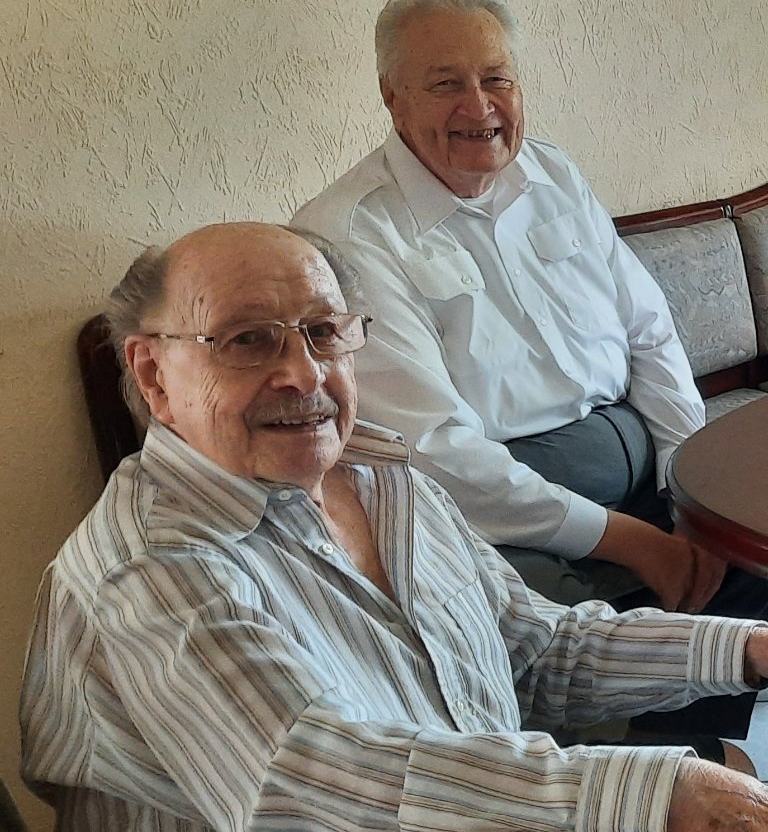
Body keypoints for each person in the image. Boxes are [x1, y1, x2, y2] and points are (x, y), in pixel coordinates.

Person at [19, 222, 768, 830]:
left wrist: (746, 647)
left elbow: (538, 652)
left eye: (323, 332)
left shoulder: (388, 482)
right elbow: (310, 781)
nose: (305, 374)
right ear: (153, 374)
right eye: (247, 339)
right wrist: (649, 795)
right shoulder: (151, 567)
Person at [292, 0, 767, 622]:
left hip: (649, 466)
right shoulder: (347, 235)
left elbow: (649, 329)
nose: (478, 106)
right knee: (564, 634)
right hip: (501, 512)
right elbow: (431, 450)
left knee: (746, 570)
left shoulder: (552, 172)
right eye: (446, 84)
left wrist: (690, 494)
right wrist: (633, 542)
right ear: (392, 98)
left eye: (497, 79)